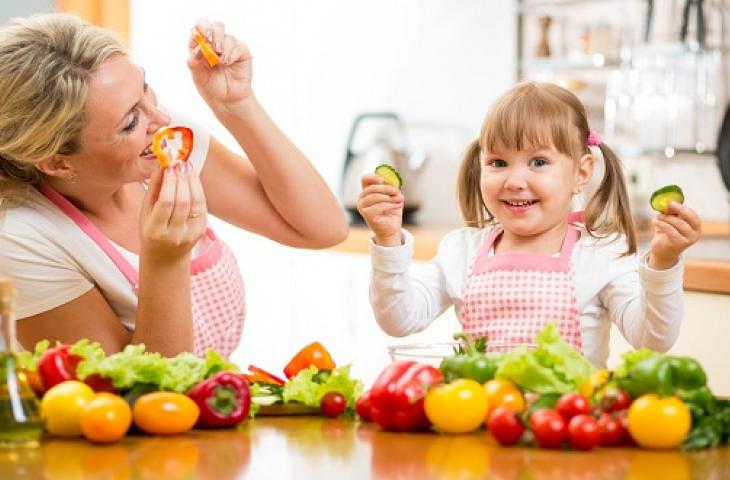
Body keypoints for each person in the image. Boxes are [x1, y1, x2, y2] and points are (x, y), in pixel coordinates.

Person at [0, 14, 348, 358]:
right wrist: (165, 261)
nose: (161, 118)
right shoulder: (20, 239)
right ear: (57, 162)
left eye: (146, 88)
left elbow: (321, 229)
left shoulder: (158, 140)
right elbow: (136, 398)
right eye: (131, 121)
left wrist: (235, 104)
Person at [357, 81, 701, 368]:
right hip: (482, 428)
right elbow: (398, 320)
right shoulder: (461, 249)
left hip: (566, 436)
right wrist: (388, 240)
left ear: (581, 173)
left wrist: (664, 262)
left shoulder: (601, 253)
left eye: (538, 162)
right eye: (498, 162)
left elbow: (653, 340)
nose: (515, 180)